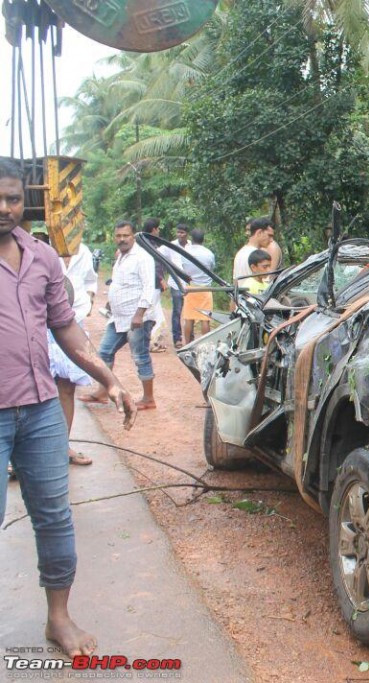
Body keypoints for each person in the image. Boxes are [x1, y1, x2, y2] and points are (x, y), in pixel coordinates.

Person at [0, 159, 137, 656]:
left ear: (25, 201)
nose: (5, 207)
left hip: (38, 412)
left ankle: (58, 618)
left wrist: (110, 379)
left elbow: (69, 332)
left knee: (54, 517)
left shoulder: (42, 258)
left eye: (13, 198)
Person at [30, 228, 99, 467]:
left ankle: (62, 447)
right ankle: (23, 456)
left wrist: (89, 298)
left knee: (66, 388)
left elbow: (91, 279)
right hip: (42, 325)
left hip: (73, 321)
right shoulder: (40, 248)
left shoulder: (84, 252)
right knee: (35, 387)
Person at [82, 220, 158, 410]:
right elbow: (120, 283)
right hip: (118, 318)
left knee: (140, 356)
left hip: (137, 318)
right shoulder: (121, 256)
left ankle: (148, 398)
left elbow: (149, 287)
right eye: (118, 236)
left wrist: (139, 314)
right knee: (105, 352)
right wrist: (111, 301)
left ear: (133, 236)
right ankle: (102, 392)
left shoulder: (143, 257)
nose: (122, 239)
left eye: (126, 235)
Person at [182, 228, 216, 344]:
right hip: (205, 289)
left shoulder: (185, 252)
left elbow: (183, 268)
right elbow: (211, 269)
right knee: (205, 319)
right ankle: (205, 344)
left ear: (191, 239)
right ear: (203, 239)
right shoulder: (208, 253)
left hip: (191, 288)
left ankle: (187, 344)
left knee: (188, 318)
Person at [142, 218, 168, 353]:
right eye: (158, 229)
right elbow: (155, 265)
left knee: (155, 315)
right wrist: (161, 279)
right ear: (153, 230)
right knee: (155, 316)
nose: (159, 231)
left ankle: (154, 342)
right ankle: (152, 343)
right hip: (152, 285)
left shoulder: (142, 244)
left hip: (147, 285)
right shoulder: (151, 247)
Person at [166, 224, 190, 349]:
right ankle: (177, 338)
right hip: (176, 283)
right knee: (177, 311)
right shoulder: (171, 245)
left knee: (190, 312)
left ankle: (189, 338)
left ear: (187, 233)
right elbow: (161, 257)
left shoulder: (191, 246)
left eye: (182, 232)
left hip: (189, 284)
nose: (180, 235)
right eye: (178, 232)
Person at [233, 216, 275, 282]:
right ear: (259, 233)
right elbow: (265, 283)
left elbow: (235, 281)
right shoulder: (257, 255)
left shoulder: (240, 253)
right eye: (269, 236)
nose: (271, 240)